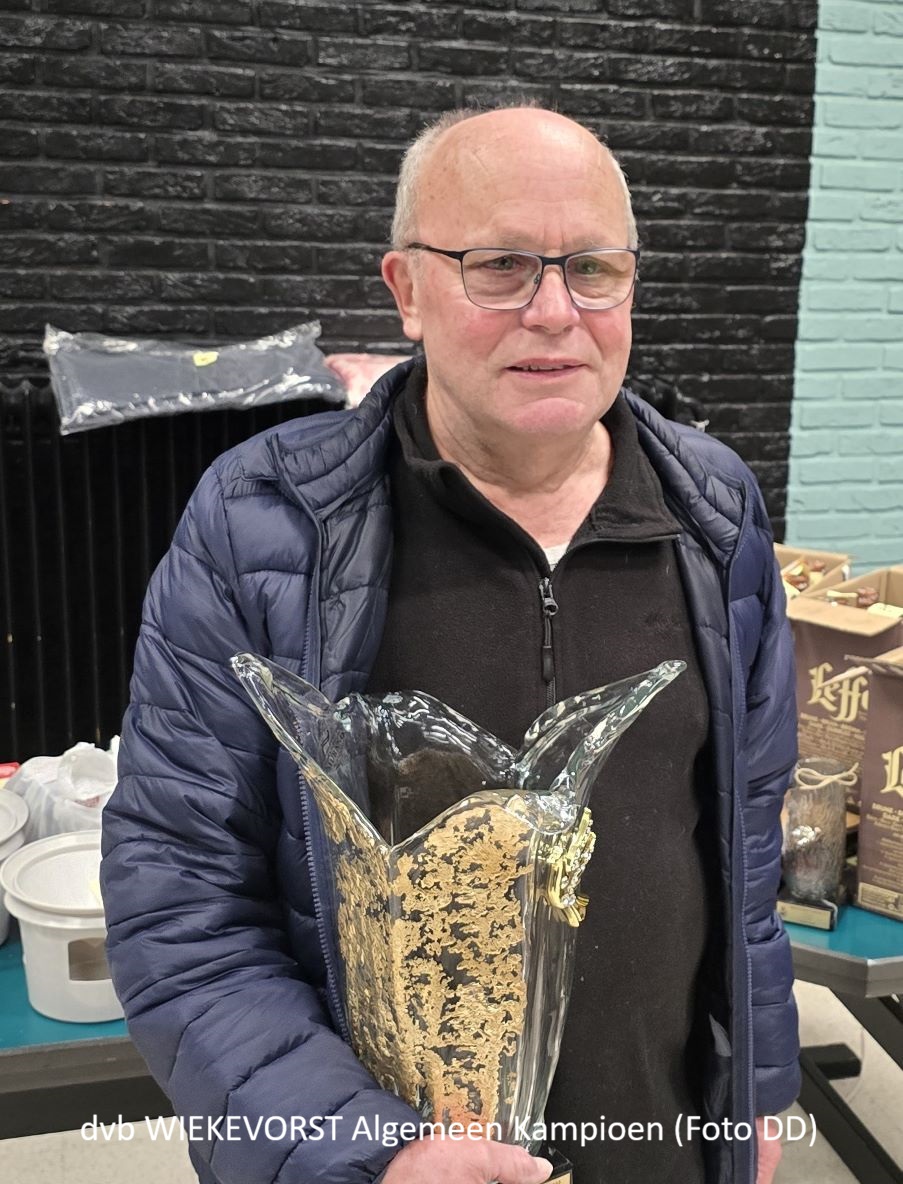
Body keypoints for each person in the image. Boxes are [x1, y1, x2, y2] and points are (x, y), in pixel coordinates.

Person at [101, 107, 799, 1184]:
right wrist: (367, 1152)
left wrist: (755, 1094)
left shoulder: (715, 511)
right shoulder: (262, 527)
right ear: (407, 291)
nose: (555, 312)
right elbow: (180, 896)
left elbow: (744, 854)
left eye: (593, 268)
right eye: (500, 266)